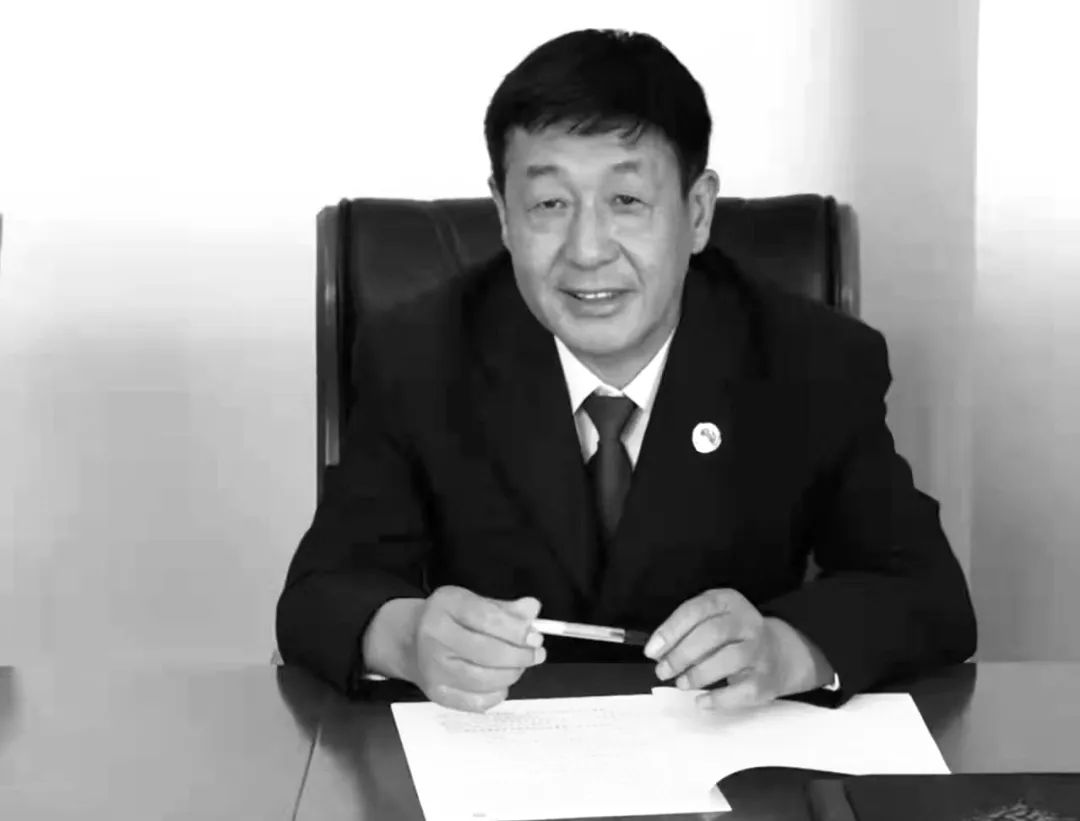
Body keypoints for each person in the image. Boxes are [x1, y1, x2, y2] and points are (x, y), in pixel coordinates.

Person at [276, 28, 976, 714]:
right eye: (549, 204)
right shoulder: (419, 355)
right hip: (499, 751)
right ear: (503, 215)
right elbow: (319, 593)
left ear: (697, 212)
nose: (587, 251)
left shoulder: (812, 362)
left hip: (729, 754)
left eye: (627, 201)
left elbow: (927, 593)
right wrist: (403, 637)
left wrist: (790, 648)